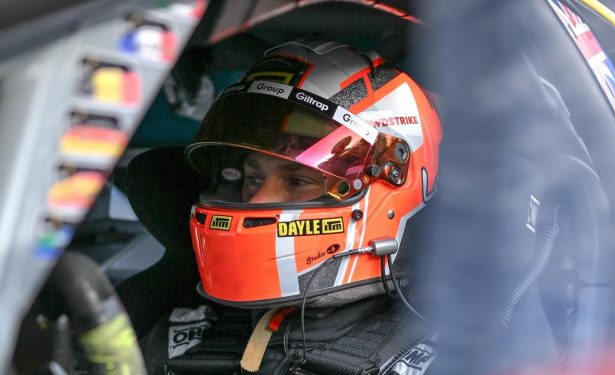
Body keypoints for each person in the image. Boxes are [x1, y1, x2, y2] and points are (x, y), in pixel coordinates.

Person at [171, 40, 443, 374]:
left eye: (297, 181)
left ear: (391, 188)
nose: (256, 200)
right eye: (252, 179)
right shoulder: (182, 336)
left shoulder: (448, 359)